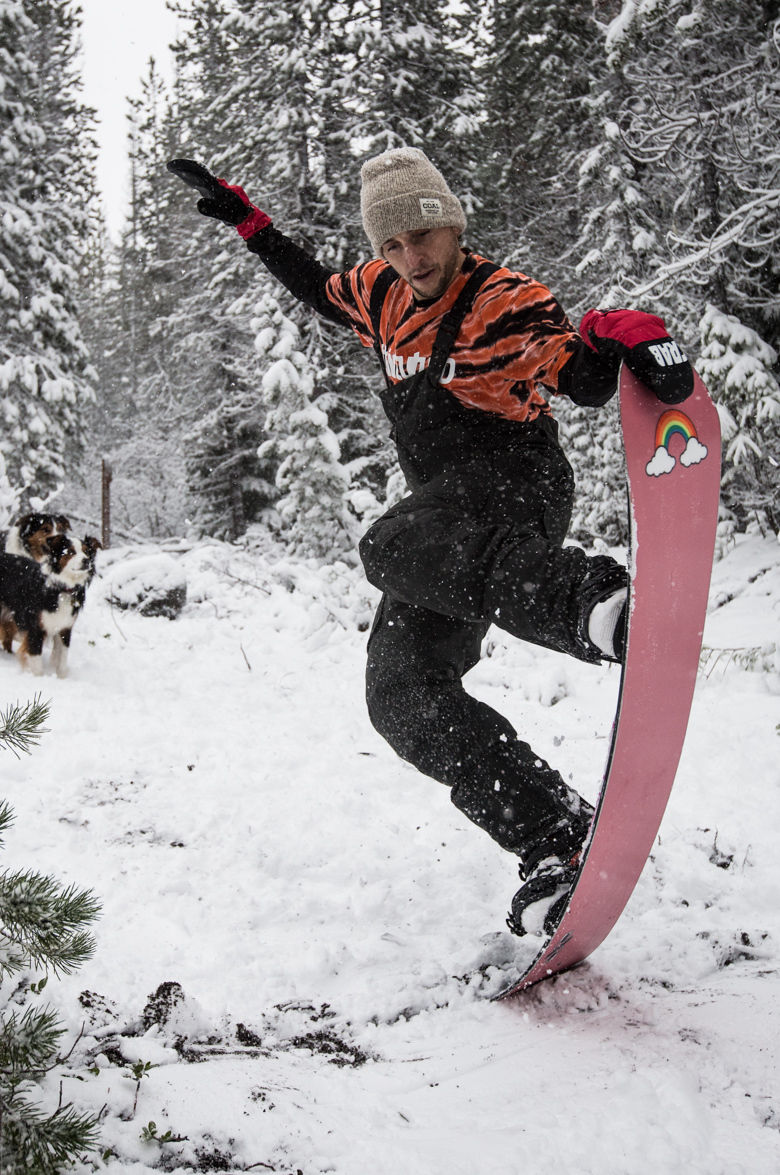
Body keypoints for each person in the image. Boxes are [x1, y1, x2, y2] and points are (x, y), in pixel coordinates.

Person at [168, 147, 693, 936]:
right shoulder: (379, 293)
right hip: (448, 528)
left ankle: (599, 602)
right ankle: (555, 834)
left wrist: (617, 336)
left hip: (519, 489)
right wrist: (251, 225)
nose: (412, 258)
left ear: (452, 223)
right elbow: (318, 288)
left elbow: (576, 376)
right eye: (393, 244)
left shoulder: (502, 299)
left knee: (386, 540)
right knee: (401, 695)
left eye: (423, 236)